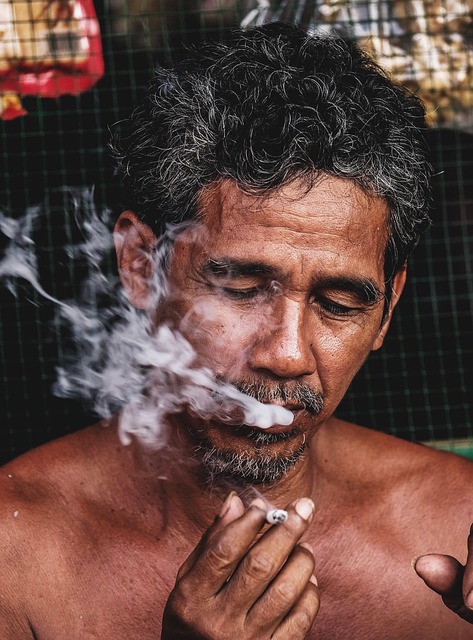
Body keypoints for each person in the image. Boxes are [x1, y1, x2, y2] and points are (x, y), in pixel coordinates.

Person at [0, 21, 472, 640]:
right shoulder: (19, 563)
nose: (287, 354)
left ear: (387, 311)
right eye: (241, 289)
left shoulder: (453, 523)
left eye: (338, 304)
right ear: (142, 267)